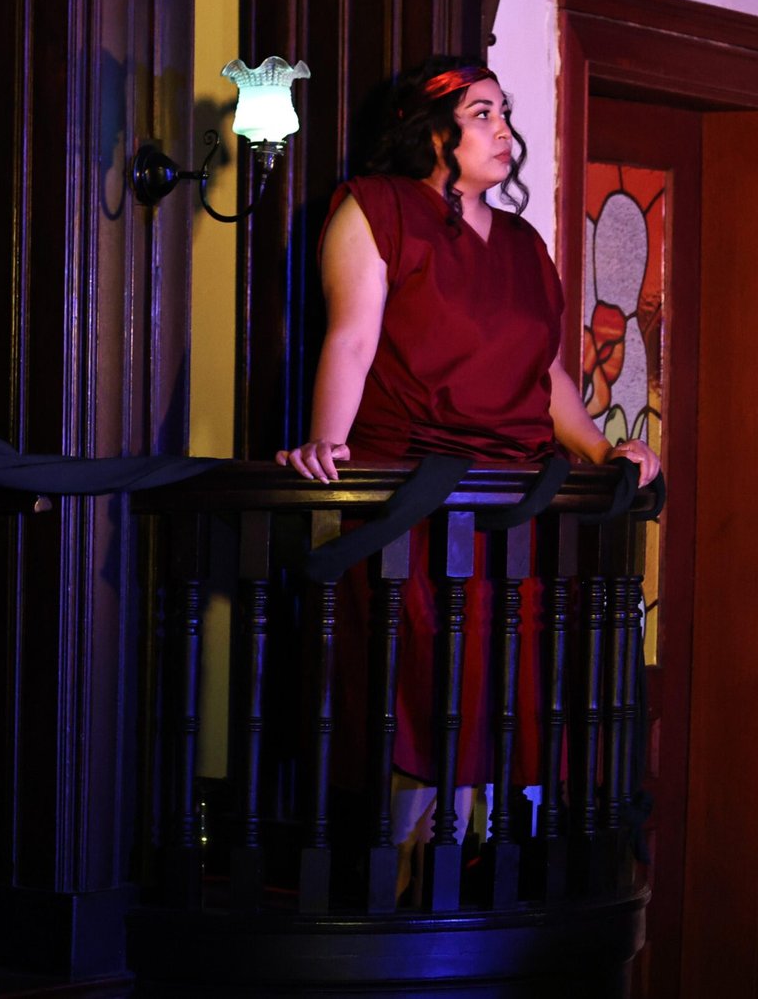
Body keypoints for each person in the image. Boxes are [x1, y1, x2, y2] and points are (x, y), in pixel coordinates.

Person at [275, 56, 659, 880]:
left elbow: (546, 374)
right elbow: (352, 338)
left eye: (504, 112)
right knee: (417, 697)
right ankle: (393, 890)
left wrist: (600, 449)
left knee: (506, 702)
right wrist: (325, 443)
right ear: (431, 130)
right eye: (483, 114)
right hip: (412, 509)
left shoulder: (524, 244)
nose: (504, 129)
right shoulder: (375, 209)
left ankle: (480, 888)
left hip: (513, 514)